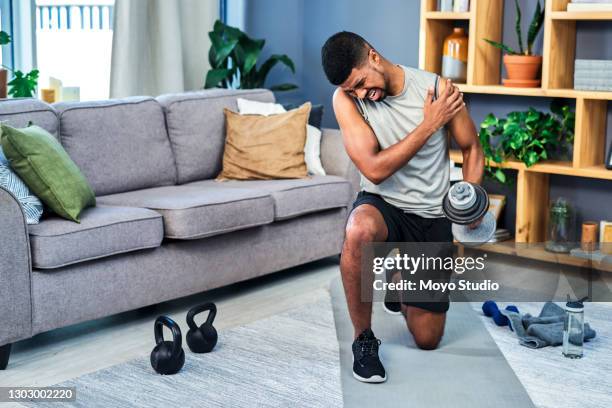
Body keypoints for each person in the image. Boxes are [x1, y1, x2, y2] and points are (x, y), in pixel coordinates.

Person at [321, 31, 484, 383]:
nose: (362, 94)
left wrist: (470, 199)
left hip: (431, 215)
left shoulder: (437, 90)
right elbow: (375, 170)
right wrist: (429, 124)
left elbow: (472, 148)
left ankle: (397, 276)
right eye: (354, 90)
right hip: (384, 205)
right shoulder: (345, 100)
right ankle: (363, 339)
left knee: (427, 340)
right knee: (358, 229)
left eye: (362, 82)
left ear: (374, 57)